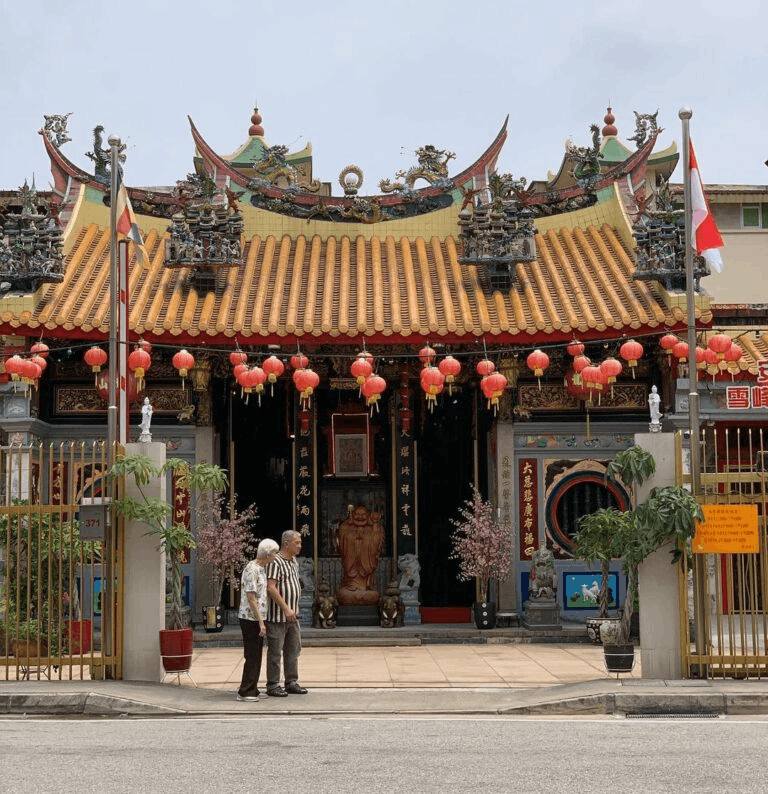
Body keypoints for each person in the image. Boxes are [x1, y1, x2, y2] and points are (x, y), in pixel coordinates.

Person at [265, 530, 307, 697]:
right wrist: (285, 607)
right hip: (278, 616)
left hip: (292, 616)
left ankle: (291, 681)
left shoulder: (293, 561)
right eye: (297, 543)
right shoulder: (275, 561)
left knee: (293, 649)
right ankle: (273, 684)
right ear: (287, 543)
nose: (300, 546)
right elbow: (271, 587)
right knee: (275, 651)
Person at [236, 538, 279, 702]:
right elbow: (251, 597)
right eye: (274, 553)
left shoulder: (261, 568)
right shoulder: (251, 569)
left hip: (258, 617)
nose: (275, 556)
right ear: (268, 554)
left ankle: (252, 687)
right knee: (252, 655)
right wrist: (261, 622)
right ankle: (245, 691)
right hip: (250, 618)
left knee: (257, 654)